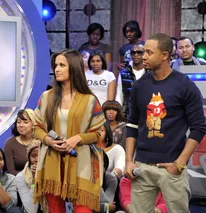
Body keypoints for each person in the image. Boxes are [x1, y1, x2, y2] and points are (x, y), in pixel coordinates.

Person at [125, 33, 206, 213]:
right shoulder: (139, 85)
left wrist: (179, 164)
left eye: (149, 52)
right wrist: (129, 161)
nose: (143, 56)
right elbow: (131, 125)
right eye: (143, 52)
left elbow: (199, 127)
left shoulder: (184, 85)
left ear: (165, 55)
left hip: (172, 167)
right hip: (142, 167)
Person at [33, 49, 106, 212]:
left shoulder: (90, 100)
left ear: (73, 68)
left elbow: (97, 133)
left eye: (62, 65)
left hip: (81, 161)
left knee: (83, 209)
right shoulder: (46, 97)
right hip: (52, 160)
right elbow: (36, 128)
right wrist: (49, 140)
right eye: (56, 65)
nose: (56, 69)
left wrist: (77, 139)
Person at [118, 44, 148, 119]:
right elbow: (119, 95)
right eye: (133, 52)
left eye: (139, 52)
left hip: (147, 113)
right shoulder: (123, 73)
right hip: (128, 113)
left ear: (144, 54)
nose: (136, 55)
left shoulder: (150, 73)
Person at [4, 109, 37, 176]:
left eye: (25, 122)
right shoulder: (10, 143)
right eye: (19, 122)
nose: (21, 125)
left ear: (33, 124)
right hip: (17, 182)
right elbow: (10, 171)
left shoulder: (40, 142)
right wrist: (29, 174)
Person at [15, 140, 41, 213]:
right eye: (33, 156)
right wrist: (34, 181)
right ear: (28, 158)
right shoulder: (21, 177)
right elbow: (31, 210)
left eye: (41, 155)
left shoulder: (53, 176)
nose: (37, 160)